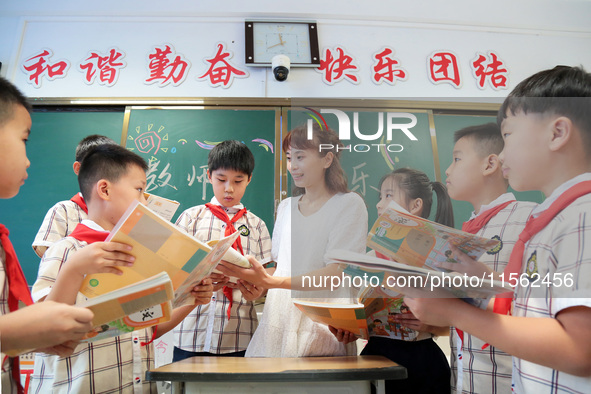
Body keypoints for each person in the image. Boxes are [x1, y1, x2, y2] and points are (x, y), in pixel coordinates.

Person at [405, 65, 591, 393]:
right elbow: (537, 321)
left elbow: (579, 349)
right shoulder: (554, 220)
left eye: (508, 135)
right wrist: (484, 282)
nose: (502, 153)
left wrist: (453, 312)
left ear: (557, 133)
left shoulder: (582, 216)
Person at [28, 144, 214, 393]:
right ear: (104, 189)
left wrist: (192, 299)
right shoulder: (67, 251)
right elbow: (42, 331)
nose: (144, 200)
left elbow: (149, 328)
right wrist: (74, 269)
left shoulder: (139, 255)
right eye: (139, 189)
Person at [219, 123, 368, 357]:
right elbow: (280, 269)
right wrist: (258, 288)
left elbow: (336, 274)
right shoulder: (287, 207)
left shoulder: (349, 204)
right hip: (278, 322)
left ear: (327, 159)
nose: (293, 166)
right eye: (290, 158)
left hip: (322, 325)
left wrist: (271, 282)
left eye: (300, 156)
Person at [0, 76, 95, 393]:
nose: (28, 158)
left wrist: (25, 336)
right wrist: (13, 333)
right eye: (24, 139)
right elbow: (46, 251)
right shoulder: (64, 213)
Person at [331, 168, 453, 394]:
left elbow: (459, 321)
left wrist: (430, 325)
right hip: (375, 360)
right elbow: (355, 312)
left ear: (415, 205)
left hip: (423, 365)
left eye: (388, 196)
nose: (379, 204)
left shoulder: (439, 260)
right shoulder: (365, 261)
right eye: (380, 197)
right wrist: (348, 329)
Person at [441, 123, 536, 393]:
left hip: (507, 380)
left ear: (490, 163)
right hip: (465, 378)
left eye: (457, 159)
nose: (448, 170)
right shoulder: (465, 230)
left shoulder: (528, 217)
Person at [171, 140, 272, 361]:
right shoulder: (190, 218)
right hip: (191, 333)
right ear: (209, 176)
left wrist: (259, 291)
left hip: (239, 335)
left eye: (238, 181)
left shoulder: (257, 225)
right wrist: (197, 278)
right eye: (221, 179)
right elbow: (170, 269)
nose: (229, 188)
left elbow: (266, 277)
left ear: (249, 179)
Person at [32, 134, 118, 257]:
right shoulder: (63, 211)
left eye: (113, 167)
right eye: (97, 165)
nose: (106, 172)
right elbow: (50, 258)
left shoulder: (121, 212)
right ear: (78, 168)